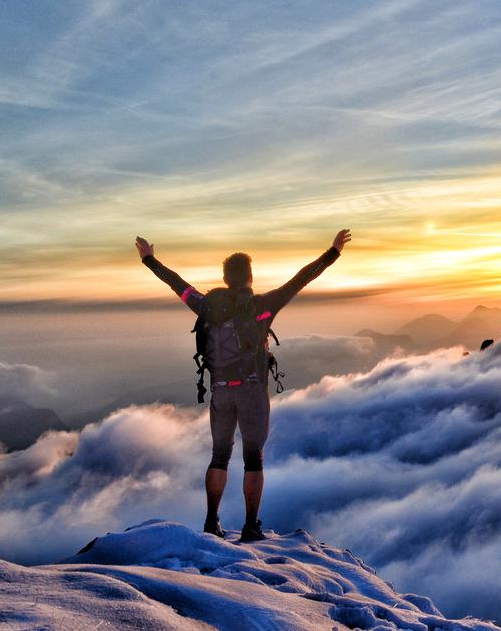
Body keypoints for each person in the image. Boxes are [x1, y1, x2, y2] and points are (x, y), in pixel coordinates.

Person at [134, 229, 352, 541]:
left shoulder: (205, 306)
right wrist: (333, 251)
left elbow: (179, 285)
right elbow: (301, 279)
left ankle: (211, 523)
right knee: (253, 459)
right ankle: (251, 527)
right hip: (252, 393)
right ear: (249, 277)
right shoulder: (263, 306)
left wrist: (149, 260)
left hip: (221, 391)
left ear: (225, 279)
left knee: (219, 456)